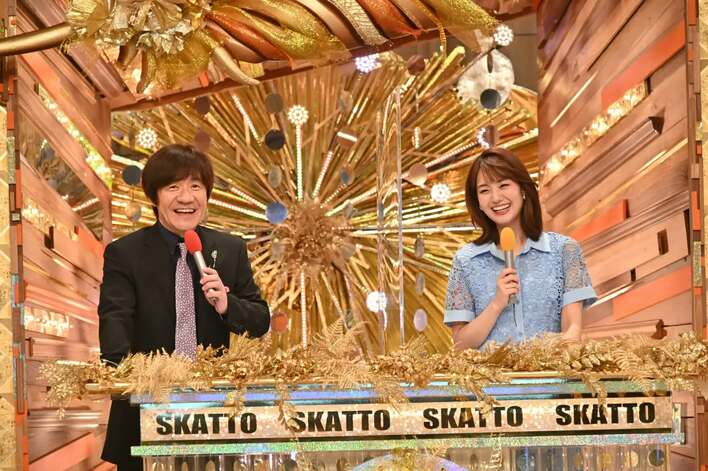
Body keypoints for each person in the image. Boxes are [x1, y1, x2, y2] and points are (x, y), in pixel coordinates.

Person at [98, 144, 270, 470]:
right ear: (154, 196)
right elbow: (115, 318)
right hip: (144, 411)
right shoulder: (125, 253)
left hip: (213, 416)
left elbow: (260, 320)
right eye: (173, 187)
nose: (186, 197)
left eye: (195, 186)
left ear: (207, 194)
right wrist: (121, 378)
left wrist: (227, 305)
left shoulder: (229, 249)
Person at [444, 147, 595, 351]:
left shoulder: (565, 250)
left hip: (550, 370)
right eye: (484, 190)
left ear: (522, 189)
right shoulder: (465, 261)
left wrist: (548, 365)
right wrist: (496, 304)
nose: (496, 198)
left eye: (504, 185)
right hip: (488, 373)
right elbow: (461, 345)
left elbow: (572, 329)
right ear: (477, 202)